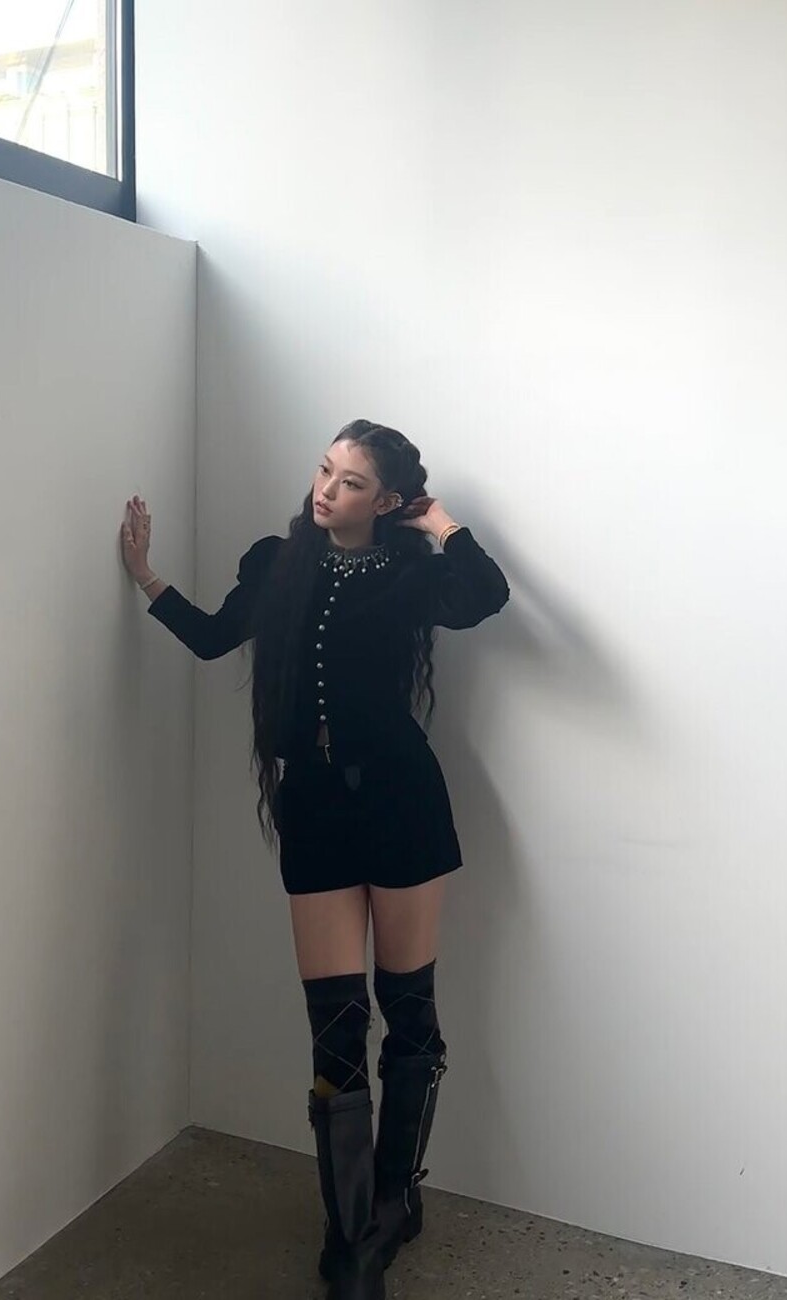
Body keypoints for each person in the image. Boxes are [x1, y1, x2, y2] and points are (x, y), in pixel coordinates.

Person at [120, 419, 510, 1300]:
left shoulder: (413, 572)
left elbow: (484, 594)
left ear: (388, 500)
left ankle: (395, 1201)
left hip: (404, 803)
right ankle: (350, 1236)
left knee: (409, 1012)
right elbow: (214, 637)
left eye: (351, 482)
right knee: (336, 1027)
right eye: (326, 471)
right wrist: (146, 576)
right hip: (317, 809)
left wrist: (438, 521)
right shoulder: (278, 563)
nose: (327, 491)